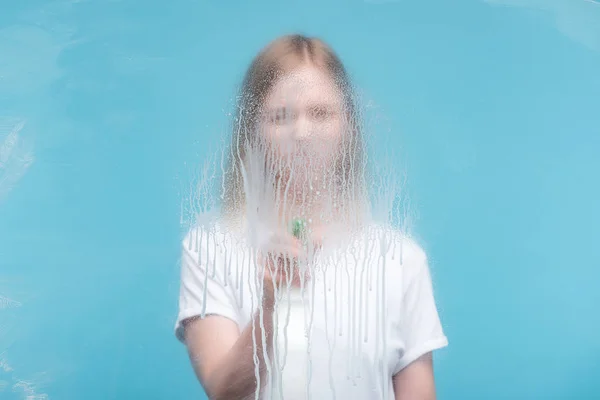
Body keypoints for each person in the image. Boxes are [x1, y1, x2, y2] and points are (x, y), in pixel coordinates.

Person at [175, 34, 448, 400]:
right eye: (280, 116)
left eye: (320, 113)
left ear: (347, 124)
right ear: (252, 129)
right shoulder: (212, 246)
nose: (302, 133)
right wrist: (274, 305)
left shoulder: (401, 259)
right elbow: (223, 391)